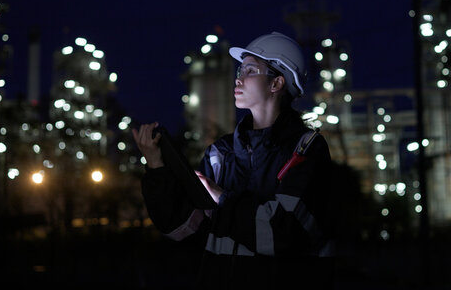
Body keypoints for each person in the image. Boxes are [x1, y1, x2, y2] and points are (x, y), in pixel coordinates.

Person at [133, 32, 336, 289]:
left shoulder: (305, 150)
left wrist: (222, 197)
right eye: (240, 70)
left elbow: (283, 234)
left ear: (276, 83)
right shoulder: (221, 154)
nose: (238, 79)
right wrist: (156, 166)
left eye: (250, 70)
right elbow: (180, 229)